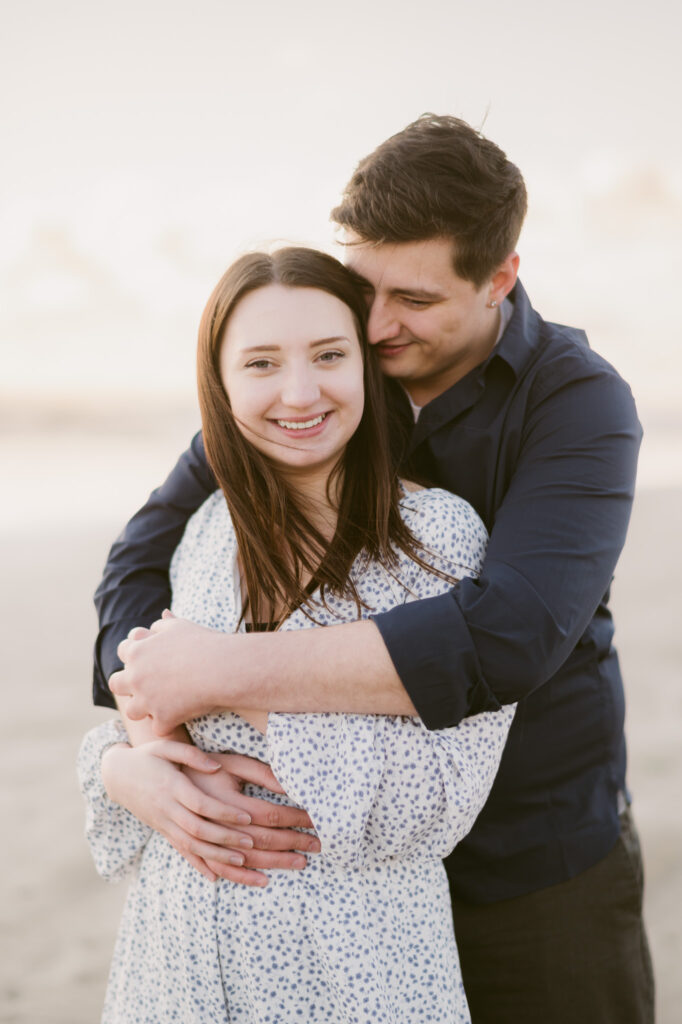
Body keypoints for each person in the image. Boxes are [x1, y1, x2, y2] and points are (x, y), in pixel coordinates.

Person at [96, 116, 654, 1023]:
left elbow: (504, 639)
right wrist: (146, 744)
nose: (379, 325)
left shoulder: (579, 402)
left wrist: (219, 673)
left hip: (532, 863)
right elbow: (139, 563)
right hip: (326, 893)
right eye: (365, 287)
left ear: (500, 277)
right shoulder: (320, 376)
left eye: (417, 300)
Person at [79, 246, 515, 1023]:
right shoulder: (206, 531)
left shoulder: (440, 538)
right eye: (261, 363)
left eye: (328, 355)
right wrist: (123, 771)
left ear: (366, 365)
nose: (300, 392)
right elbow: (146, 713)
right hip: (174, 969)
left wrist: (226, 680)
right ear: (219, 384)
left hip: (351, 981)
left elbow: (438, 805)